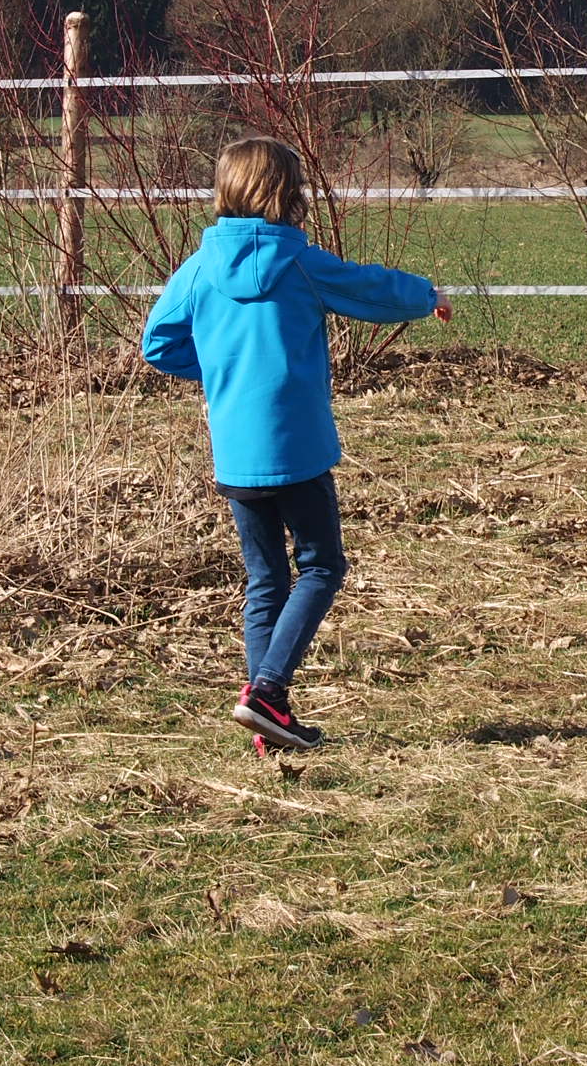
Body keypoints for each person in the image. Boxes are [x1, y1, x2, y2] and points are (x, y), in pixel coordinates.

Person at [141, 136, 449, 751]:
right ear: (287, 192)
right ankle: (267, 692)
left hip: (235, 454)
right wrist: (427, 295)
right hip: (298, 448)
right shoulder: (300, 262)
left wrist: (223, 375)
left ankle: (269, 723)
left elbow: (158, 344)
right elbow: (370, 289)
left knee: (265, 582)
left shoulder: (197, 269)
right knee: (323, 566)